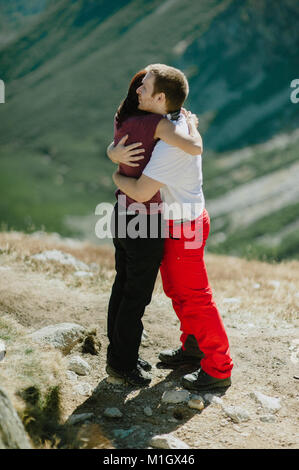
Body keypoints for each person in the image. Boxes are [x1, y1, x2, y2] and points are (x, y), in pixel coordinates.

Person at [110, 63, 233, 392]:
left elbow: (139, 192)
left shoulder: (168, 146)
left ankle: (219, 367)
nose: (138, 90)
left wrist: (116, 176)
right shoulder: (178, 122)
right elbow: (193, 135)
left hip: (184, 225)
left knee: (194, 296)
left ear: (161, 97)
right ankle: (193, 347)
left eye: (145, 87)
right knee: (178, 291)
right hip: (180, 221)